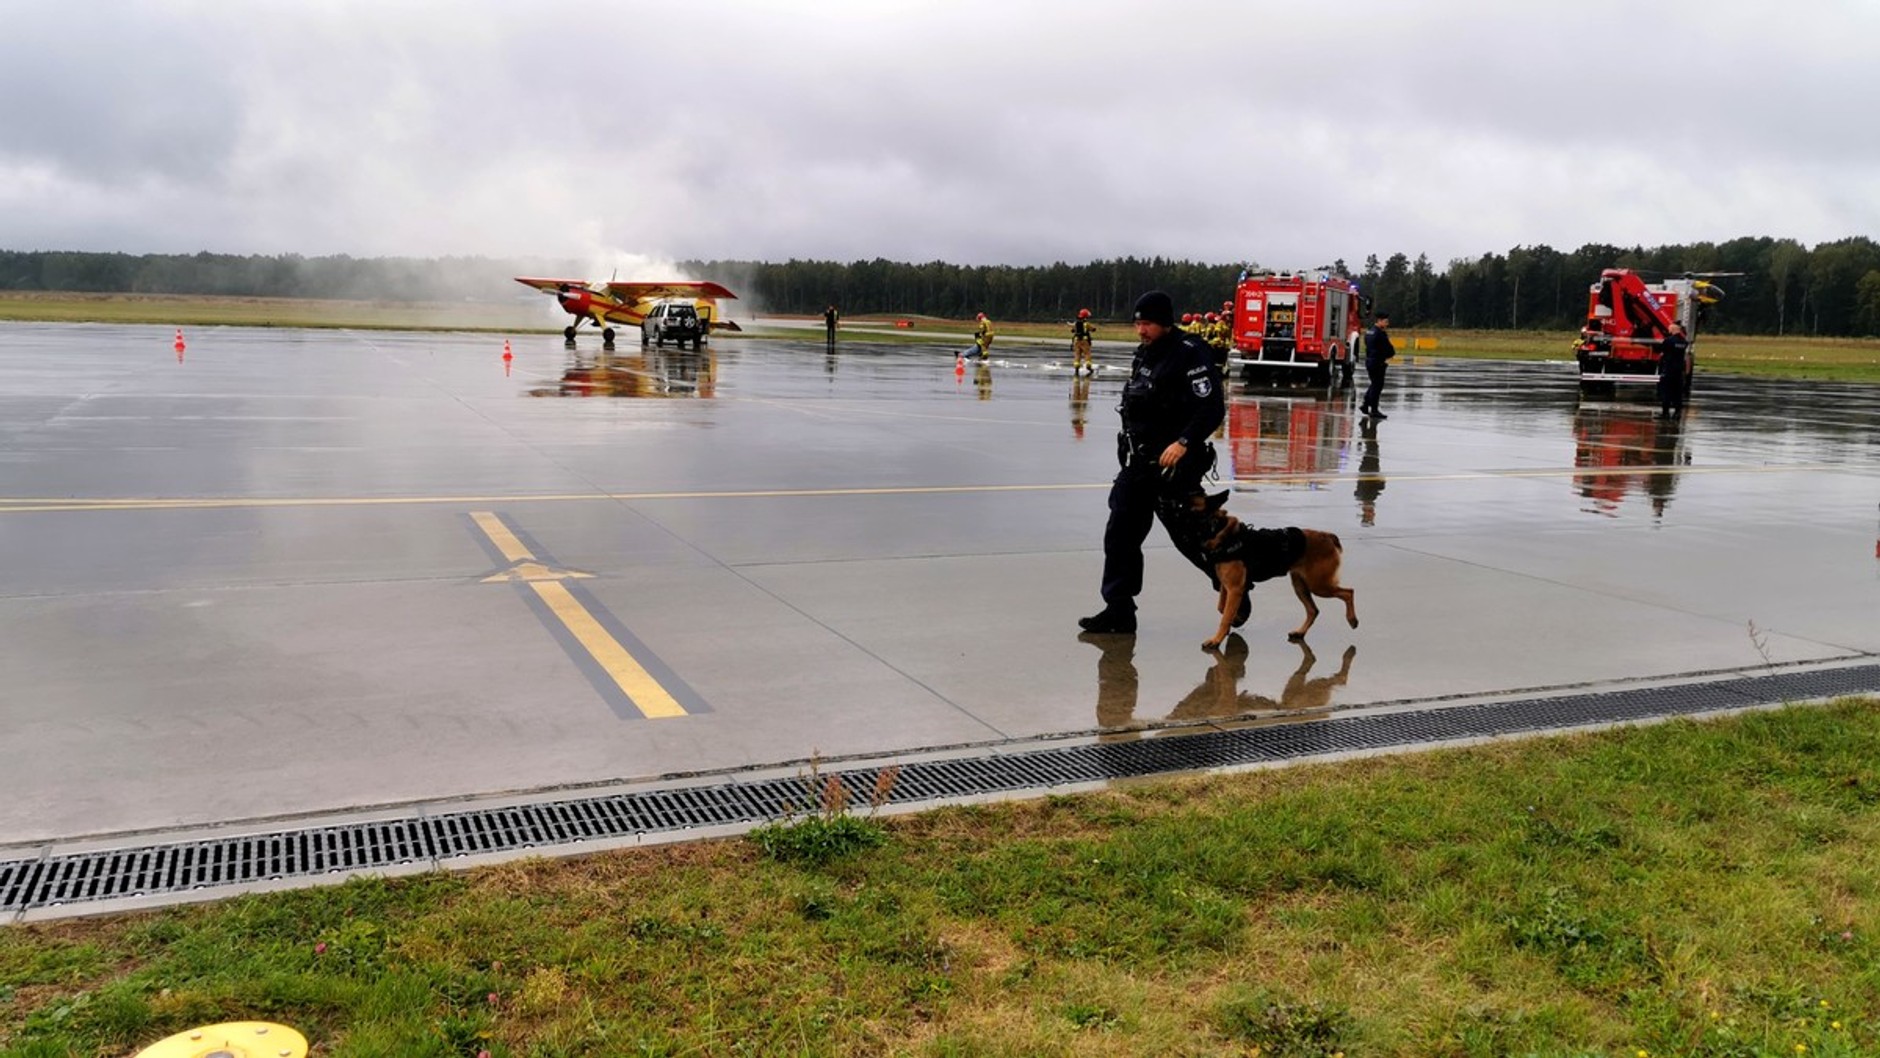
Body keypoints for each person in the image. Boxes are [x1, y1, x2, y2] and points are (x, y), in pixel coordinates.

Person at [1079, 290, 1227, 636]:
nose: (1141, 330)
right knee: (1120, 535)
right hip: (1139, 464)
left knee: (1192, 538)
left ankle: (1233, 588)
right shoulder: (1145, 355)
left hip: (1174, 466)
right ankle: (1119, 610)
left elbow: (1211, 408)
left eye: (1146, 323)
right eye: (1137, 323)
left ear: (1163, 322)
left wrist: (1184, 442)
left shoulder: (1190, 354)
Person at [1360, 311, 1396, 419]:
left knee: (1374, 384)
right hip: (1378, 362)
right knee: (1377, 386)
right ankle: (1374, 410)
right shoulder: (1380, 333)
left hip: (1370, 361)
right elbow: (1388, 348)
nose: (1387, 324)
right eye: (1385, 322)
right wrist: (1390, 354)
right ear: (1379, 321)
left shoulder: (1369, 332)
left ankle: (1365, 405)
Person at [1658, 322, 1689, 418]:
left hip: (1669, 369)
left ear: (1673, 330)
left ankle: (1665, 413)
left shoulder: (1668, 340)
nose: (1668, 331)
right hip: (1679, 370)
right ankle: (1677, 412)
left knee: (1666, 391)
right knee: (1677, 392)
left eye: (1670, 329)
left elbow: (1663, 352)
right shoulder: (1683, 342)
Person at [1069, 308, 1096, 375]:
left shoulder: (1076, 323)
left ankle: (1076, 369)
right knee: (1087, 354)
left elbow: (1072, 330)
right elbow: (1092, 329)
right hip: (1085, 342)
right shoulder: (1086, 324)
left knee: (1077, 355)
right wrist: (1093, 329)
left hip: (1076, 341)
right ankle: (1088, 367)